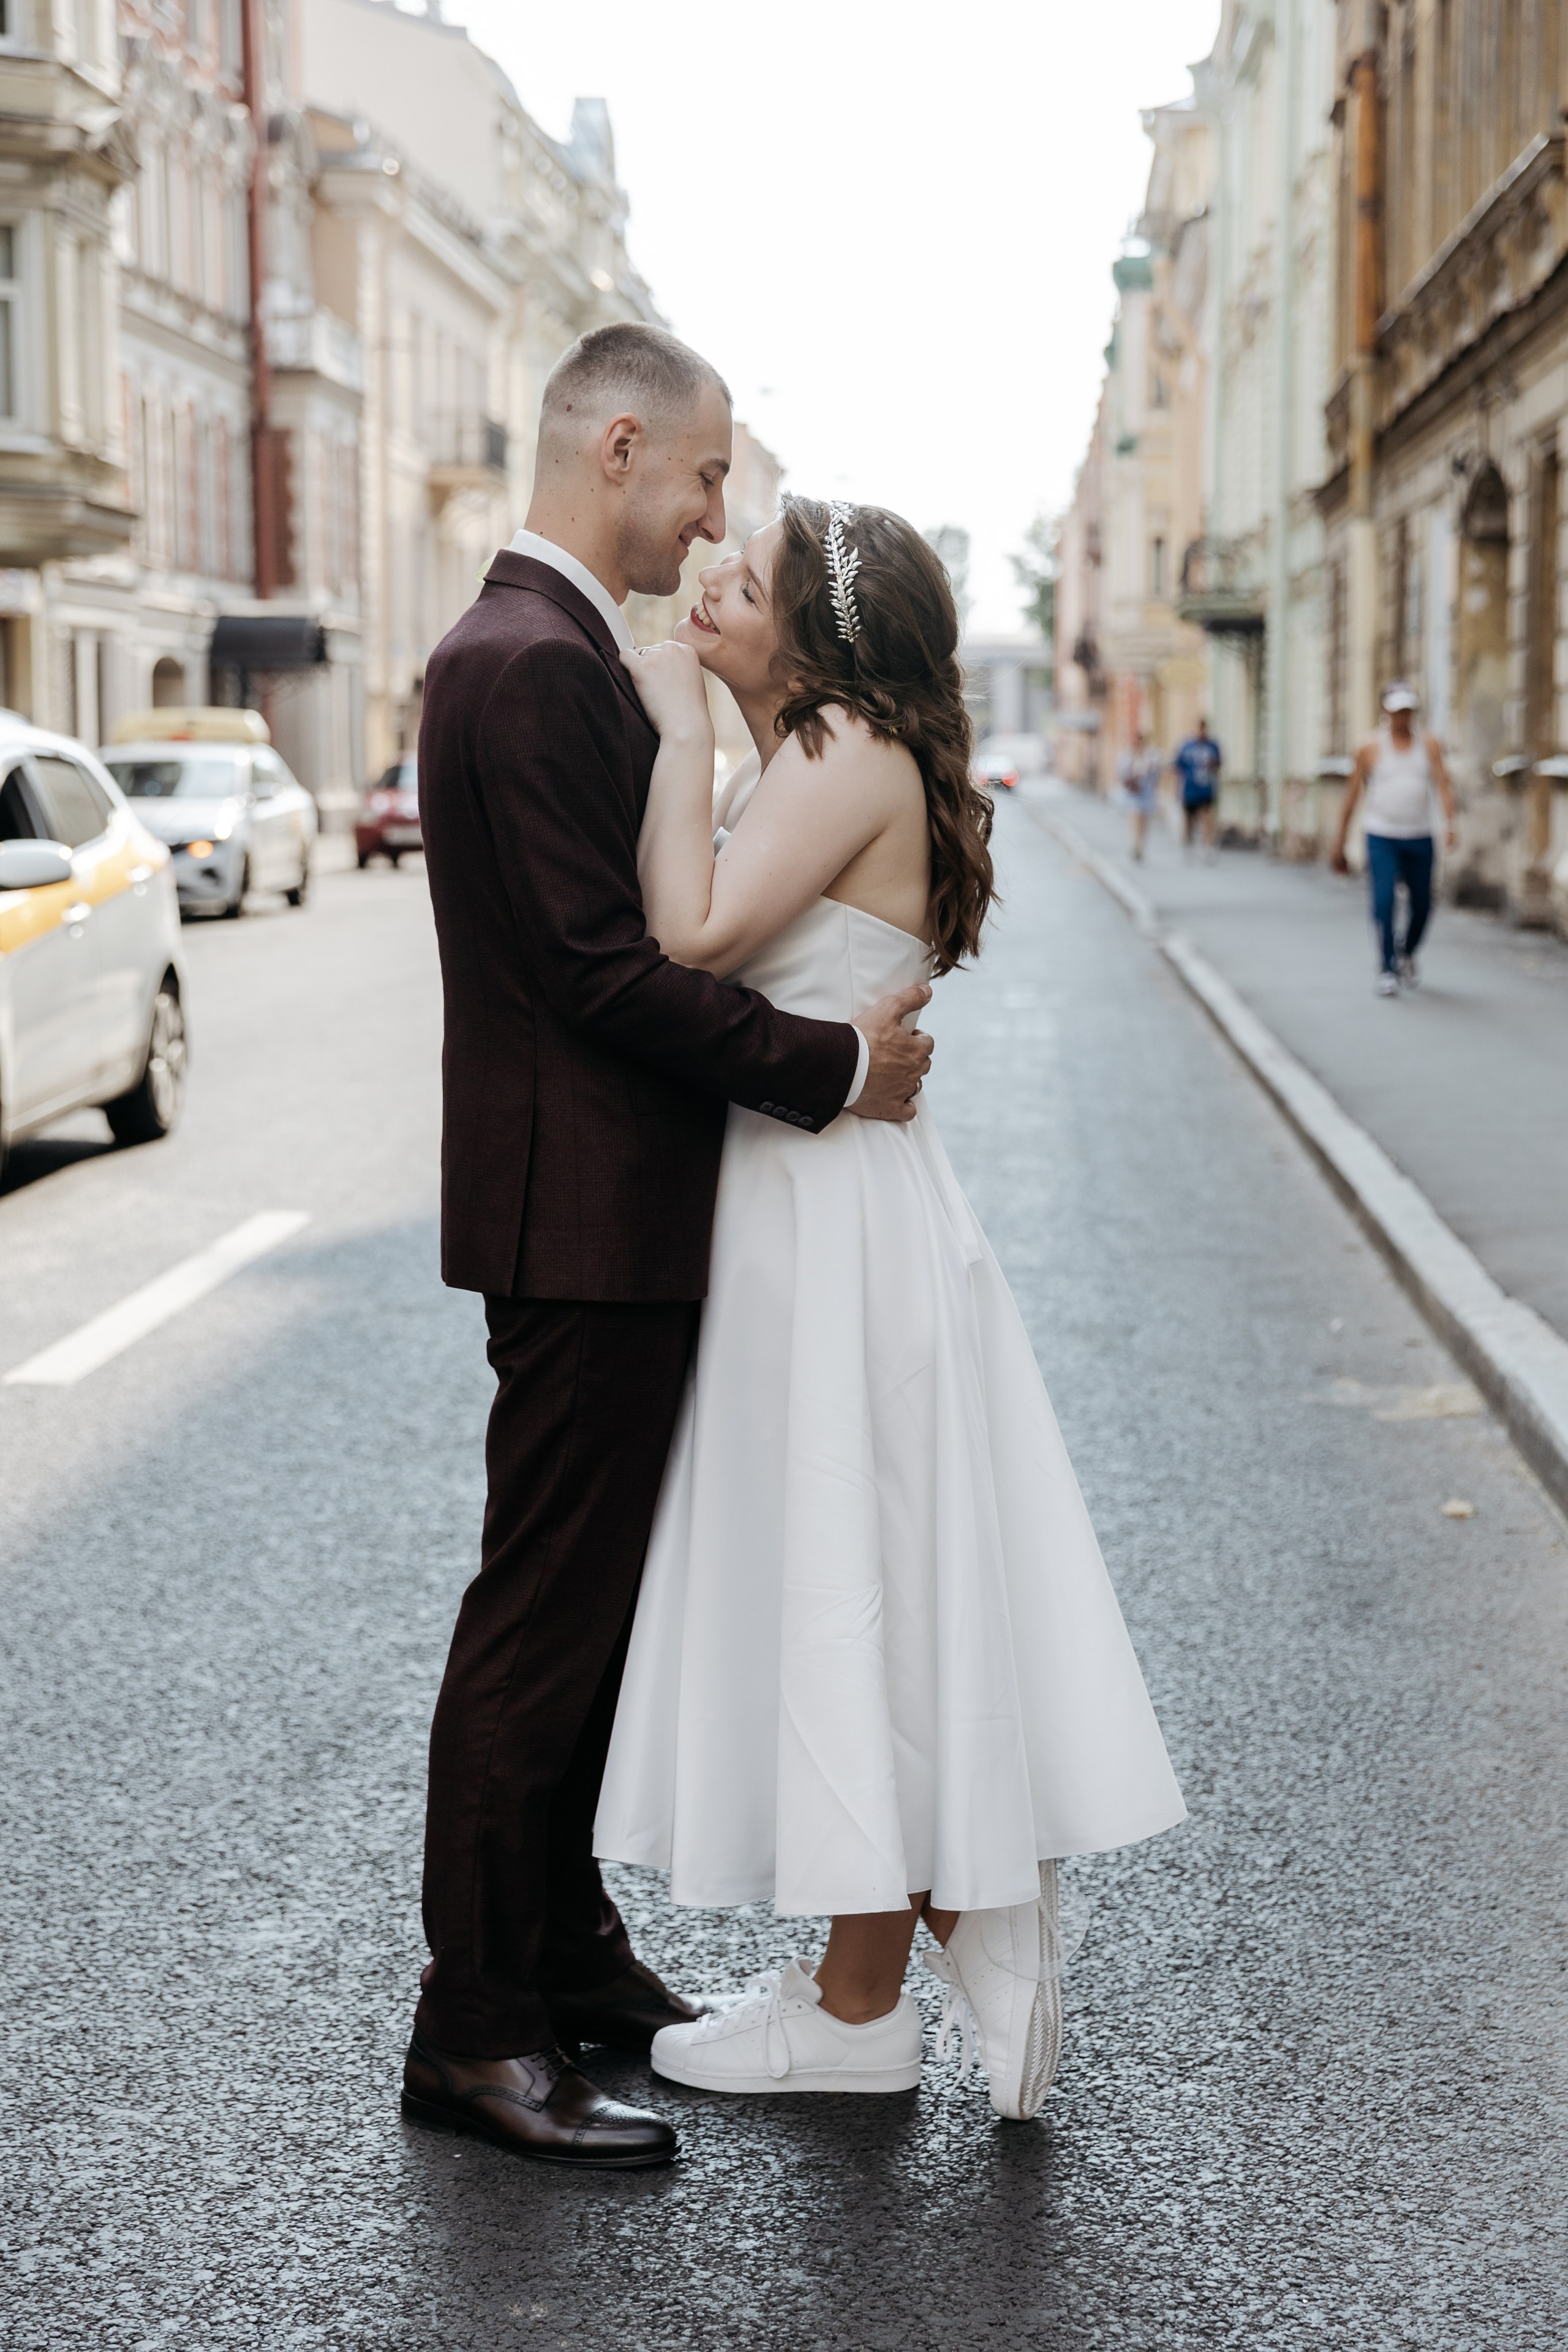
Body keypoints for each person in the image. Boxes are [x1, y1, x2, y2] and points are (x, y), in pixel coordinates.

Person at [405, 326, 933, 2172]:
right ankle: (472, 2030)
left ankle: (559, 1951)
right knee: (539, 1625)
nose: (717, 514)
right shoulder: (530, 660)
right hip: (585, 1216)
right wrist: (829, 1065)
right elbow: (600, 972)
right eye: (705, 478)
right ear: (620, 447)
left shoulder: (539, 650)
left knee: (583, 1617)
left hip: (605, 1209)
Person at [595, 496, 1186, 2123]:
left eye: (752, 568)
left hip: (827, 1226)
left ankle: (913, 1953)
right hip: (832, 1211)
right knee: (853, 1585)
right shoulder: (838, 747)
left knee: (845, 1584)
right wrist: (724, 718)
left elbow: (694, 936)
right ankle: (887, 1969)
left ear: (820, 635)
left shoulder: (836, 745)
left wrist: (672, 720)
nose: (720, 570)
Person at [1330, 680, 1458, 996]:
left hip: (1419, 836)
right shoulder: (1369, 747)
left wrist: (1451, 823)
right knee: (1384, 901)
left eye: (1408, 711)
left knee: (1423, 905)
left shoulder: (1429, 744)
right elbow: (1351, 797)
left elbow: (1443, 785)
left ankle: (1407, 951)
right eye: (1397, 711)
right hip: (1382, 835)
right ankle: (1386, 967)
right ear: (1385, 711)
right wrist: (1340, 843)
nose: (1403, 717)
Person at [1172, 717, 1221, 858]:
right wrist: (1177, 789)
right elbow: (1178, 767)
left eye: (1203, 728)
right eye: (1198, 728)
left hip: (1206, 788)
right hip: (1190, 789)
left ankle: (1208, 846)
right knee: (1189, 819)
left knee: (1207, 818)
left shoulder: (1212, 746)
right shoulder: (1186, 746)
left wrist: (1213, 765)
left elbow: (1219, 765)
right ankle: (1188, 845)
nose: (1200, 731)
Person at [1117, 728, 1163, 860]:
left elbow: (1156, 775)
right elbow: (1122, 775)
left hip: (1147, 793)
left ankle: (1141, 846)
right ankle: (1135, 846)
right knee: (1135, 818)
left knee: (1144, 821)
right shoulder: (1126, 756)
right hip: (1133, 794)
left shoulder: (1151, 756)